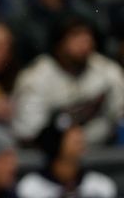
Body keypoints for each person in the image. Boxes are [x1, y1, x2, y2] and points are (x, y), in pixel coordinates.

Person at [11, 14, 124, 146]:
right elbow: (28, 133)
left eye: (87, 35)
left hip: (103, 153)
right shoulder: (35, 77)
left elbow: (121, 116)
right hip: (51, 158)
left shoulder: (107, 70)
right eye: (76, 35)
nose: (85, 41)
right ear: (58, 43)